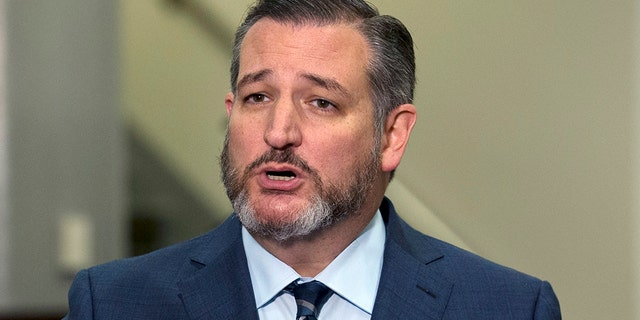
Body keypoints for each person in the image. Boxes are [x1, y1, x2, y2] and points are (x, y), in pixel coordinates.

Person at [64, 0, 561, 319]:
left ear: (392, 135)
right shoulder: (111, 304)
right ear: (231, 113)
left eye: (321, 102)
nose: (278, 133)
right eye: (257, 97)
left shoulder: (510, 308)